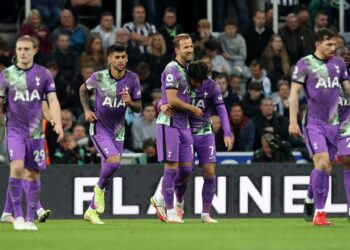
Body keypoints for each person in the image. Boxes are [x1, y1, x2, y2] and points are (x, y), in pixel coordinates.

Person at [0, 35, 63, 230]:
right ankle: (17, 217)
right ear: (15, 51)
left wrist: (57, 123)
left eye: (26, 49)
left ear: (34, 50)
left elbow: (52, 101)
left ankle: (29, 219)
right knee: (17, 167)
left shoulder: (44, 74)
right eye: (19, 49)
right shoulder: (7, 75)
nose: (23, 53)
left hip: (36, 133)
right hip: (14, 132)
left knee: (34, 175)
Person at [289, 29, 350, 226]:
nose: (333, 48)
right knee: (323, 164)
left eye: (334, 44)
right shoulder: (304, 64)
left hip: (335, 125)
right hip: (314, 123)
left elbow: (348, 90)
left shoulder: (339, 64)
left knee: (325, 167)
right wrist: (292, 121)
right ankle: (320, 214)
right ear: (318, 44)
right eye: (329, 44)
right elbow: (294, 93)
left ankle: (309, 197)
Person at [161, 61, 234, 223]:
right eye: (196, 80)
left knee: (210, 172)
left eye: (202, 80)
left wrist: (227, 132)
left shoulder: (212, 86)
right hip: (184, 131)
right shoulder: (181, 82)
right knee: (185, 173)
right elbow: (166, 99)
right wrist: (161, 105)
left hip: (204, 133)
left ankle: (205, 214)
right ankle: (179, 200)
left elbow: (221, 108)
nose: (199, 84)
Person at [79, 44, 142, 224]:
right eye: (117, 57)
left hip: (119, 131)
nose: (120, 60)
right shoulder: (98, 77)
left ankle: (91, 211)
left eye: (123, 57)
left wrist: (130, 102)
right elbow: (82, 89)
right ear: (109, 59)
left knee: (109, 170)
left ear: (127, 58)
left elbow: (139, 108)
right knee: (113, 162)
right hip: (100, 127)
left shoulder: (133, 78)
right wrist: (86, 110)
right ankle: (98, 192)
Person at [150, 34, 202, 223]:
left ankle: (159, 197)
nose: (190, 50)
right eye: (185, 47)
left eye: (191, 46)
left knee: (187, 169)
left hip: (184, 124)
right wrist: (192, 109)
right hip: (169, 123)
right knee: (171, 168)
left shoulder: (188, 70)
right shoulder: (172, 68)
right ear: (177, 51)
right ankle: (170, 210)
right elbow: (171, 100)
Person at [335, 45, 350, 221]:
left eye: (348, 54)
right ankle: (310, 199)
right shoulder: (325, 77)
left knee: (347, 160)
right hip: (326, 125)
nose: (346, 57)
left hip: (346, 124)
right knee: (323, 165)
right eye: (342, 54)